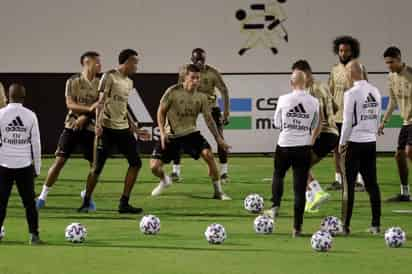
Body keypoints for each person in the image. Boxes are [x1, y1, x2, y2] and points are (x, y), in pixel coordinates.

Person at [78, 49, 150, 213]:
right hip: (106, 129)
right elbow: (101, 102)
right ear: (127, 62)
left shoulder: (129, 82)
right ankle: (86, 201)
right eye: (135, 62)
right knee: (96, 168)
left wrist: (135, 129)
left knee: (136, 163)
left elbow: (124, 108)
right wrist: (98, 124)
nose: (137, 66)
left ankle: (124, 203)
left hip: (123, 129)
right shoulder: (109, 76)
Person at [150, 64, 231, 200]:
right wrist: (163, 133)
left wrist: (218, 138)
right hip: (172, 135)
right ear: (184, 78)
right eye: (193, 78)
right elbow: (161, 111)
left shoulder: (202, 97)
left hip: (191, 134)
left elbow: (209, 119)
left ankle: (218, 192)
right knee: (154, 167)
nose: (196, 81)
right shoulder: (173, 91)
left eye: (198, 78)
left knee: (209, 156)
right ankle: (165, 180)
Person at [36, 51, 101, 209]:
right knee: (59, 161)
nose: (100, 65)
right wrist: (87, 110)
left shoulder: (101, 83)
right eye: (97, 62)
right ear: (86, 63)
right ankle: (42, 196)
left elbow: (101, 106)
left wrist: (85, 117)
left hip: (91, 128)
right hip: (71, 126)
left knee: (95, 166)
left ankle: (87, 195)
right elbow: (70, 104)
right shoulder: (73, 81)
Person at [264, 70, 320, 237]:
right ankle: (297, 228)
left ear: (291, 83)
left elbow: (276, 122)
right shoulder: (314, 101)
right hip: (303, 147)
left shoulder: (283, 99)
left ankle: (274, 208)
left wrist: (289, 126)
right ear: (307, 83)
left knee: (278, 175)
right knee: (299, 189)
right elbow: (315, 123)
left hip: (284, 145)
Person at [171, 48, 230, 183]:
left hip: (210, 106)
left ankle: (224, 172)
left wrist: (226, 112)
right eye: (197, 59)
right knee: (178, 135)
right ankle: (176, 171)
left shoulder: (212, 73)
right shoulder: (184, 72)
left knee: (220, 137)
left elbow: (224, 91)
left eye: (202, 59)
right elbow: (179, 89)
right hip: (190, 106)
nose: (200, 62)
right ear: (192, 59)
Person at [339, 60, 382, 235]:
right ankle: (375, 225)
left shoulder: (351, 93)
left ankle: (345, 226)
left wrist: (342, 142)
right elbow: (377, 116)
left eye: (347, 71)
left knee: (348, 186)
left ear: (352, 73)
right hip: (370, 142)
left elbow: (348, 121)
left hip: (354, 143)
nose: (346, 74)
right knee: (372, 184)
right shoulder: (375, 91)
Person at [290, 60, 338, 213]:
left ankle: (317, 192)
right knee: (301, 166)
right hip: (331, 133)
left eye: (298, 75)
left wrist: (312, 137)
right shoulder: (323, 85)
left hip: (322, 133)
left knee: (299, 165)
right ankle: (311, 201)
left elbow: (320, 115)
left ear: (306, 73)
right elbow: (336, 107)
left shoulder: (312, 90)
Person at [0, 84, 42, 244]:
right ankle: (34, 235)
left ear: (7, 97)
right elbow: (36, 144)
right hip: (24, 166)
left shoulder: (0, 114)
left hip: (3, 165)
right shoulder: (30, 115)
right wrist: (37, 167)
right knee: (29, 203)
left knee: (1, 202)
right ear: (24, 97)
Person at [327, 36, 368, 191]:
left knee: (354, 149)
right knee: (336, 148)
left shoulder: (359, 68)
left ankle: (359, 180)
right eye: (341, 50)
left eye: (347, 51)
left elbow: (365, 90)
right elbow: (330, 91)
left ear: (353, 52)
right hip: (337, 115)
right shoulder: (334, 69)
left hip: (353, 115)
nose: (343, 53)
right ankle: (338, 179)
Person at [379, 47, 412, 202]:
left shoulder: (410, 74)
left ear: (399, 59)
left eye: (391, 62)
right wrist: (383, 121)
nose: (389, 65)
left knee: (409, 152)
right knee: (399, 156)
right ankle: (405, 193)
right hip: (406, 122)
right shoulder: (391, 77)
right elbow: (392, 101)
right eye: (387, 63)